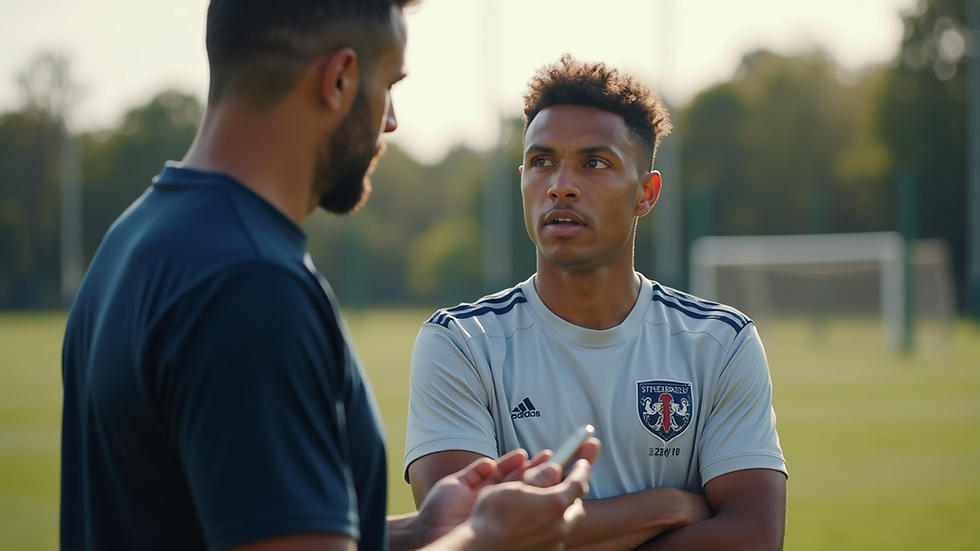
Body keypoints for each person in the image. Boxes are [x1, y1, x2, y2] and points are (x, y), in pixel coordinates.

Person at [60, 3, 598, 550]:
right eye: (388, 85)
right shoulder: (252, 286)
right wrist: (486, 540)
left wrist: (421, 532)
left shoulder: (136, 237)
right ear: (339, 79)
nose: (391, 120)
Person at [404, 54, 787, 551]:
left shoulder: (719, 342)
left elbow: (754, 537)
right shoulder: (460, 343)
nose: (561, 185)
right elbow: (461, 534)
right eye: (542, 162)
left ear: (645, 193)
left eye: (594, 163)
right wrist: (666, 506)